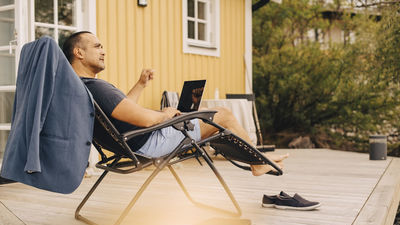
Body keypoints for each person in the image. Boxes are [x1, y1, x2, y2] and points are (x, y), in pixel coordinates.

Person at [62, 31, 287, 176]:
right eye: (97, 46)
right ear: (79, 52)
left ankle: (259, 157)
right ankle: (258, 163)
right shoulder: (96, 87)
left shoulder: (83, 88)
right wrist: (166, 113)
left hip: (130, 144)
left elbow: (123, 112)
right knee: (223, 114)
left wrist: (141, 84)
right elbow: (147, 119)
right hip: (150, 142)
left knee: (207, 122)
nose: (103, 51)